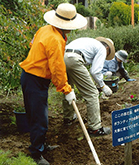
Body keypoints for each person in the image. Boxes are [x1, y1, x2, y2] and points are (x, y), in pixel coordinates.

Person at [19, 3, 87, 165]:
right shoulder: (55, 39)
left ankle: (40, 144)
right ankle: (36, 153)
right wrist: (66, 89)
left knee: (36, 114)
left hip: (30, 77)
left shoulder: (45, 29)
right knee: (39, 118)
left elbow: (33, 45)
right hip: (35, 79)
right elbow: (57, 68)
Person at [63, 37, 115, 136]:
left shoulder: (88, 42)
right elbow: (95, 71)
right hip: (74, 60)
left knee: (68, 89)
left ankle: (68, 118)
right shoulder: (102, 49)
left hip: (63, 57)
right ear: (107, 48)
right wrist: (103, 86)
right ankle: (95, 128)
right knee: (92, 94)